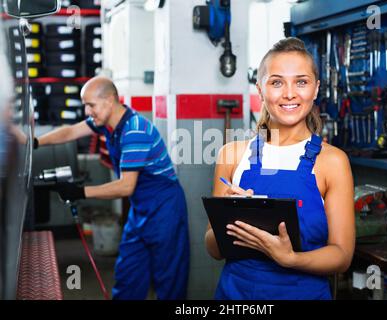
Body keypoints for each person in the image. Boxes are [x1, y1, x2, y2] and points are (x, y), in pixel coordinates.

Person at [205, 37, 355, 300]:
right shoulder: (231, 155)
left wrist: (291, 259)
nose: (289, 93)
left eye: (301, 81)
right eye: (276, 82)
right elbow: (214, 249)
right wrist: (226, 218)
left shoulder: (333, 162)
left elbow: (342, 256)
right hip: (237, 295)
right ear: (260, 90)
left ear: (316, 88)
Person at [35, 76, 190, 300]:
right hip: (141, 211)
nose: (88, 111)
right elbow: (70, 132)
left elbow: (126, 186)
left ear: (109, 101)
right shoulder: (106, 123)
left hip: (165, 211)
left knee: (169, 281)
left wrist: (80, 192)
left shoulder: (134, 131)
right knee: (128, 274)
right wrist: (35, 142)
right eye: (85, 105)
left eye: (91, 105)